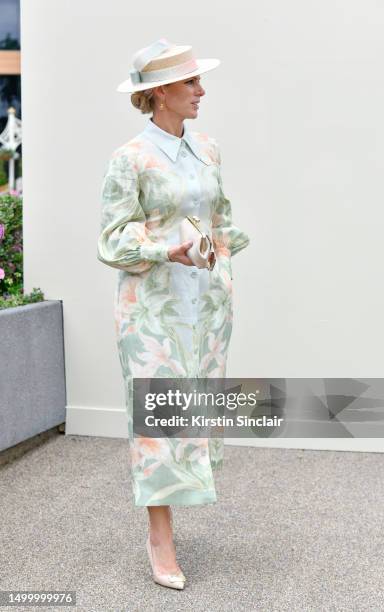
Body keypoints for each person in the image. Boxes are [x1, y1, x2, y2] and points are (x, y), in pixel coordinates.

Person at [97, 38, 250, 589]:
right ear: (159, 92)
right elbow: (113, 240)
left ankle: (172, 513)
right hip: (151, 311)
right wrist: (169, 249)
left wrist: (224, 260)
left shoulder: (207, 148)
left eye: (197, 81)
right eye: (190, 83)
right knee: (159, 414)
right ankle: (160, 535)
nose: (201, 91)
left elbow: (222, 216)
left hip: (206, 306)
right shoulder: (130, 158)